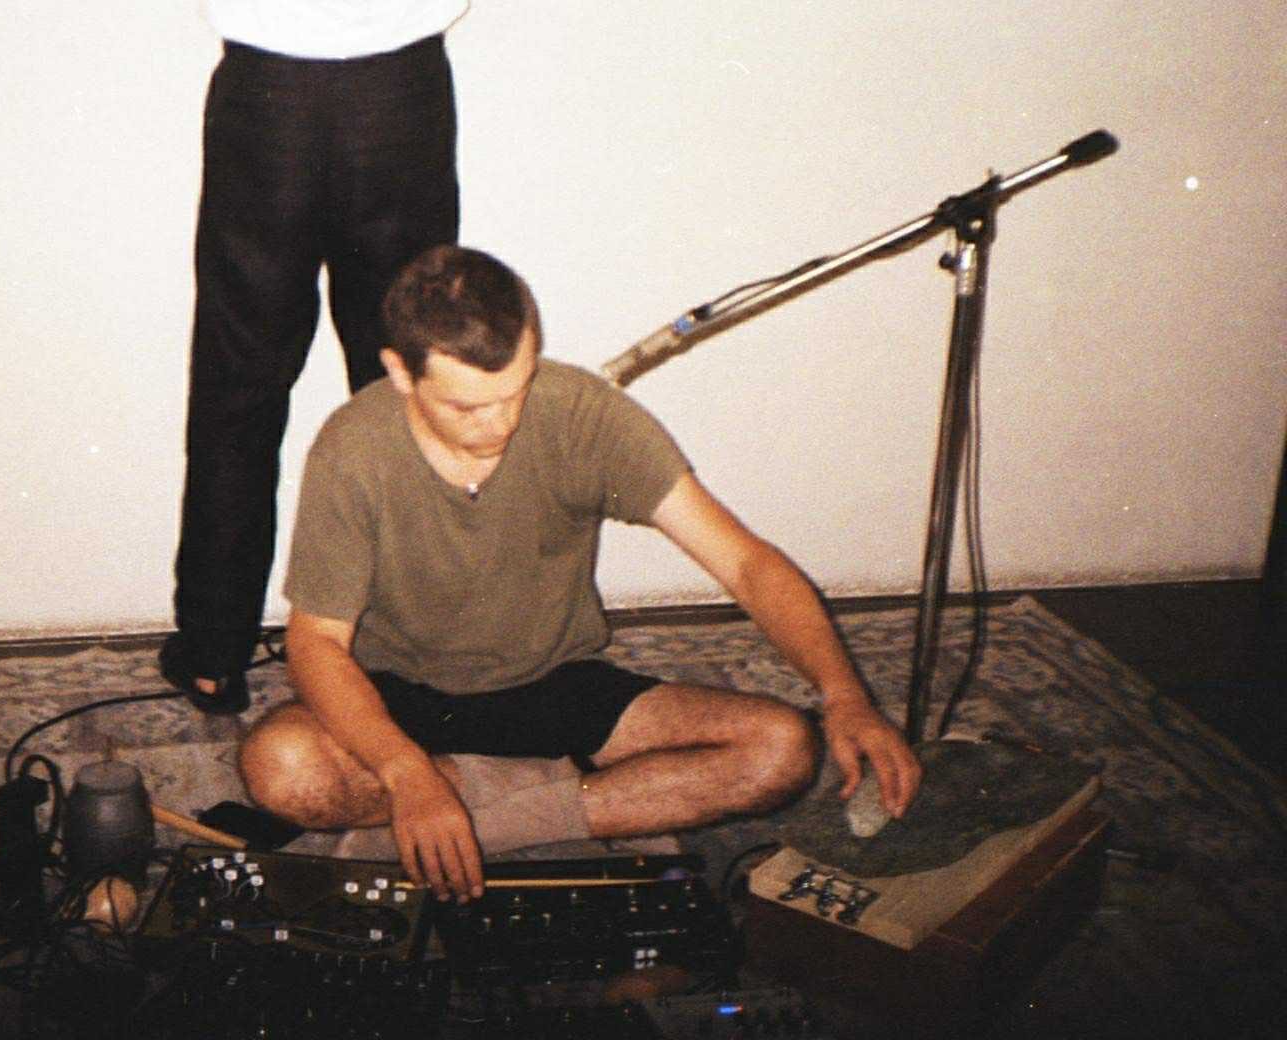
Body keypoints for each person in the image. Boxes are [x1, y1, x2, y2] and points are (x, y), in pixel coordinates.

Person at [238, 246, 922, 902]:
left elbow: (746, 563)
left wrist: (844, 694)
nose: (501, 423)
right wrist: (404, 769)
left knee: (782, 749)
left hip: (555, 683)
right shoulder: (355, 448)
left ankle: (489, 815)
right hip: (402, 694)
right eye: (468, 407)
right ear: (399, 372)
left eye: (516, 390)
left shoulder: (584, 414)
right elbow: (316, 643)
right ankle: (541, 795)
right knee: (281, 767)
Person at [164, 1, 469, 713]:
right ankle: (416, 651)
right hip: (400, 90)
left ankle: (212, 652)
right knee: (405, 377)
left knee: (240, 380)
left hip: (267, 93)